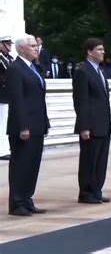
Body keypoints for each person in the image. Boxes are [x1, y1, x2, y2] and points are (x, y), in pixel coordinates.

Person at [6, 34, 50, 216]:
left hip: (37, 124)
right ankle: (17, 202)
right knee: (21, 165)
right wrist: (23, 126)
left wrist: (45, 122)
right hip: (24, 126)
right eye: (32, 46)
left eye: (36, 46)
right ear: (21, 48)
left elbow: (38, 97)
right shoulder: (16, 69)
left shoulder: (33, 68)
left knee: (32, 164)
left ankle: (27, 198)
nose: (36, 48)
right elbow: (17, 100)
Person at [73, 38, 111, 204]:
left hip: (103, 124)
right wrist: (84, 126)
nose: (103, 52)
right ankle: (86, 192)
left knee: (101, 160)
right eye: (99, 49)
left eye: (103, 49)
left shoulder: (100, 71)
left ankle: (96, 189)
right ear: (89, 52)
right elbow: (81, 101)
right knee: (89, 160)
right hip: (91, 124)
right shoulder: (83, 71)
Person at [0, 35, 14, 160]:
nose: (9, 47)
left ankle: (5, 148)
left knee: (5, 123)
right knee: (2, 123)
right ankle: (1, 150)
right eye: (7, 44)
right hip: (1, 95)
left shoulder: (9, 58)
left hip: (7, 95)